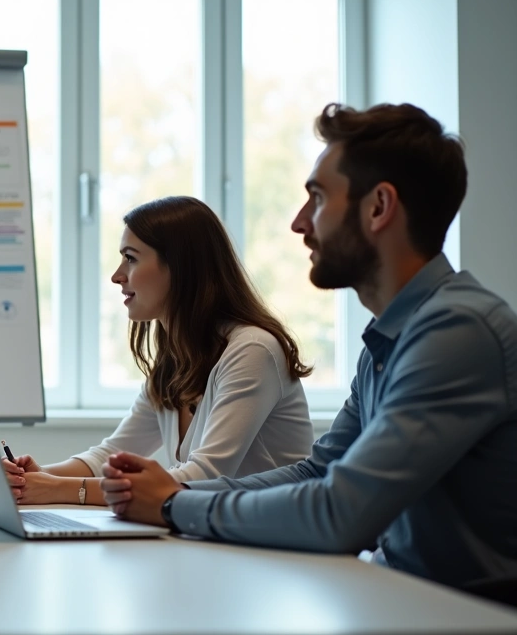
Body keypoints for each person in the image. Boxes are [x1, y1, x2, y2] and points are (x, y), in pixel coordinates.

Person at [100, 102, 517, 589]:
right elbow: (320, 470)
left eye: (317, 198)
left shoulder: (458, 331)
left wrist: (173, 504)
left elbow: (340, 510)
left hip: (465, 617)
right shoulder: (389, 339)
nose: (300, 223)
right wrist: (176, 491)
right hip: (400, 598)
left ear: (379, 208)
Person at [2, 196, 313, 505]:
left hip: (270, 543)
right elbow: (108, 455)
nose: (117, 275)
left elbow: (205, 478)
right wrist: (36, 478)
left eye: (131, 258)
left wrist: (56, 488)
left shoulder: (252, 351)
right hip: (219, 536)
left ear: (179, 268)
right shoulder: (175, 363)